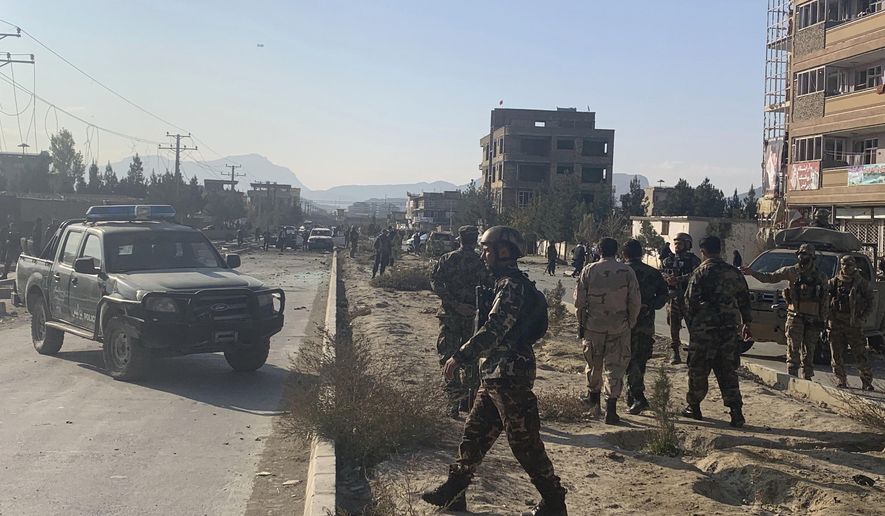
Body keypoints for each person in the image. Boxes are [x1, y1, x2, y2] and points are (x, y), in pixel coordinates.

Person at [422, 226, 567, 516]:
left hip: (510, 374)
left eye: (487, 250)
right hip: (495, 373)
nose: (483, 255)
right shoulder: (502, 283)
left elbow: (495, 328)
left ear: (503, 251)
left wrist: (461, 355)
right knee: (474, 434)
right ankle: (455, 491)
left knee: (524, 442)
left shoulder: (511, 286)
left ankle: (553, 500)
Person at [682, 236, 752, 428]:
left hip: (704, 331)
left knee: (698, 369)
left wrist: (693, 326)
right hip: (728, 330)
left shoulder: (700, 272)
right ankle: (736, 411)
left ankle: (694, 406)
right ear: (720, 250)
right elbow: (745, 299)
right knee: (728, 370)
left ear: (703, 252)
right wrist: (746, 323)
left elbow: (689, 303)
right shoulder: (734, 272)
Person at [574, 237, 641, 424]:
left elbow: (579, 302)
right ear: (616, 251)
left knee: (593, 364)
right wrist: (630, 323)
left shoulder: (589, 270)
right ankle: (611, 409)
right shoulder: (627, 271)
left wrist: (581, 323)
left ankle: (593, 401)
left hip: (594, 327)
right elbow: (635, 301)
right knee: (615, 367)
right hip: (619, 327)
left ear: (599, 251)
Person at [741, 243, 828, 379]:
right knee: (793, 348)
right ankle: (792, 376)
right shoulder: (791, 272)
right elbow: (769, 277)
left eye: (805, 254)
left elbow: (824, 299)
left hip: (813, 317)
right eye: (800, 254)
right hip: (795, 316)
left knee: (810, 350)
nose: (801, 257)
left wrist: (824, 319)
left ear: (812, 257)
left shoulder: (820, 277)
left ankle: (807, 377)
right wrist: (752, 272)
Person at [430, 226, 488, 417]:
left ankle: (454, 401)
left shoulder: (448, 259)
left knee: (448, 357)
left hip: (451, 315)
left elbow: (436, 282)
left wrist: (454, 304)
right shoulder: (482, 262)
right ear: (475, 239)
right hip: (474, 316)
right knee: (471, 357)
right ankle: (469, 402)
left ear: (460, 239)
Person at [621, 239, 669, 415]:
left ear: (624, 254)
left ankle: (638, 396)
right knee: (639, 360)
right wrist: (649, 306)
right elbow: (663, 295)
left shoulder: (621, 272)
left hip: (623, 323)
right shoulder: (652, 273)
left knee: (627, 360)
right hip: (645, 324)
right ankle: (633, 395)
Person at [827, 256, 875, 390]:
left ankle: (866, 381)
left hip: (853, 324)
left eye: (849, 265)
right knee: (836, 354)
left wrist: (862, 318)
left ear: (854, 266)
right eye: (843, 264)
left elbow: (871, 302)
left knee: (860, 354)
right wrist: (828, 317)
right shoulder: (834, 282)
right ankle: (841, 380)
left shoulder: (861, 283)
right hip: (836, 323)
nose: (845, 267)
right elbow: (825, 300)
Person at [661, 233, 702, 365]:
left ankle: (693, 354)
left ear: (687, 244)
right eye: (676, 243)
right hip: (674, 298)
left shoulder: (694, 260)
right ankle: (675, 352)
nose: (677, 246)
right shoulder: (668, 260)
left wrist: (678, 279)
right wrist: (667, 278)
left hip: (689, 298)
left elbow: (695, 275)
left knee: (693, 327)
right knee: (673, 326)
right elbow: (662, 272)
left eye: (680, 243)